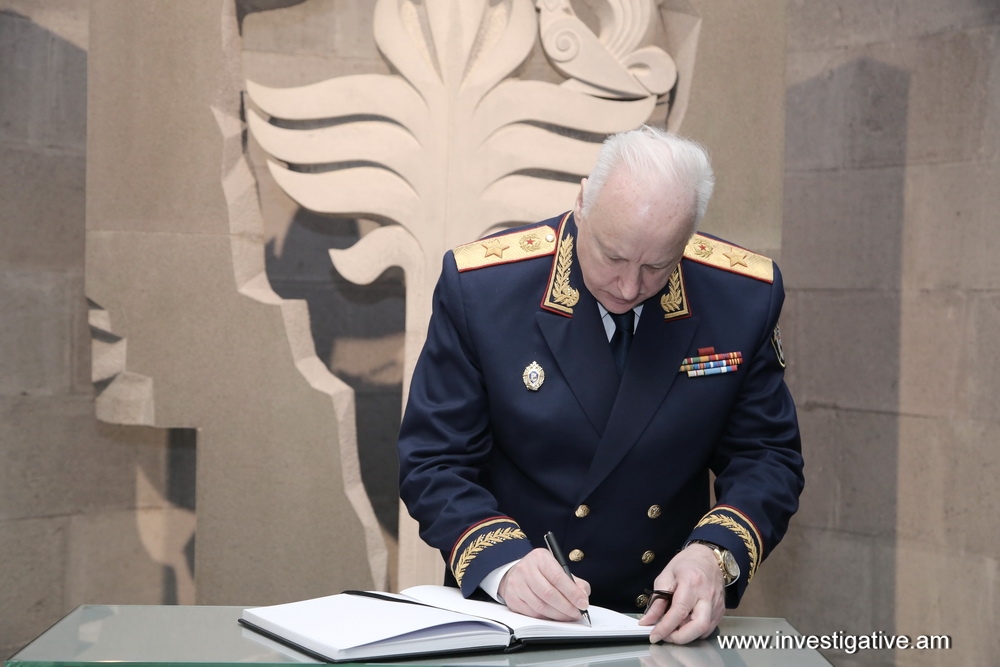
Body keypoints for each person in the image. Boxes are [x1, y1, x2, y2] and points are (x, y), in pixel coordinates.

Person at [397, 125, 804, 644]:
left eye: (657, 266)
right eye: (612, 256)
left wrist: (714, 554)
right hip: (518, 613)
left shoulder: (742, 296)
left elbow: (766, 456)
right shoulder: (483, 288)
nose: (629, 287)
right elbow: (434, 460)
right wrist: (505, 565)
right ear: (583, 203)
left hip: (662, 617)